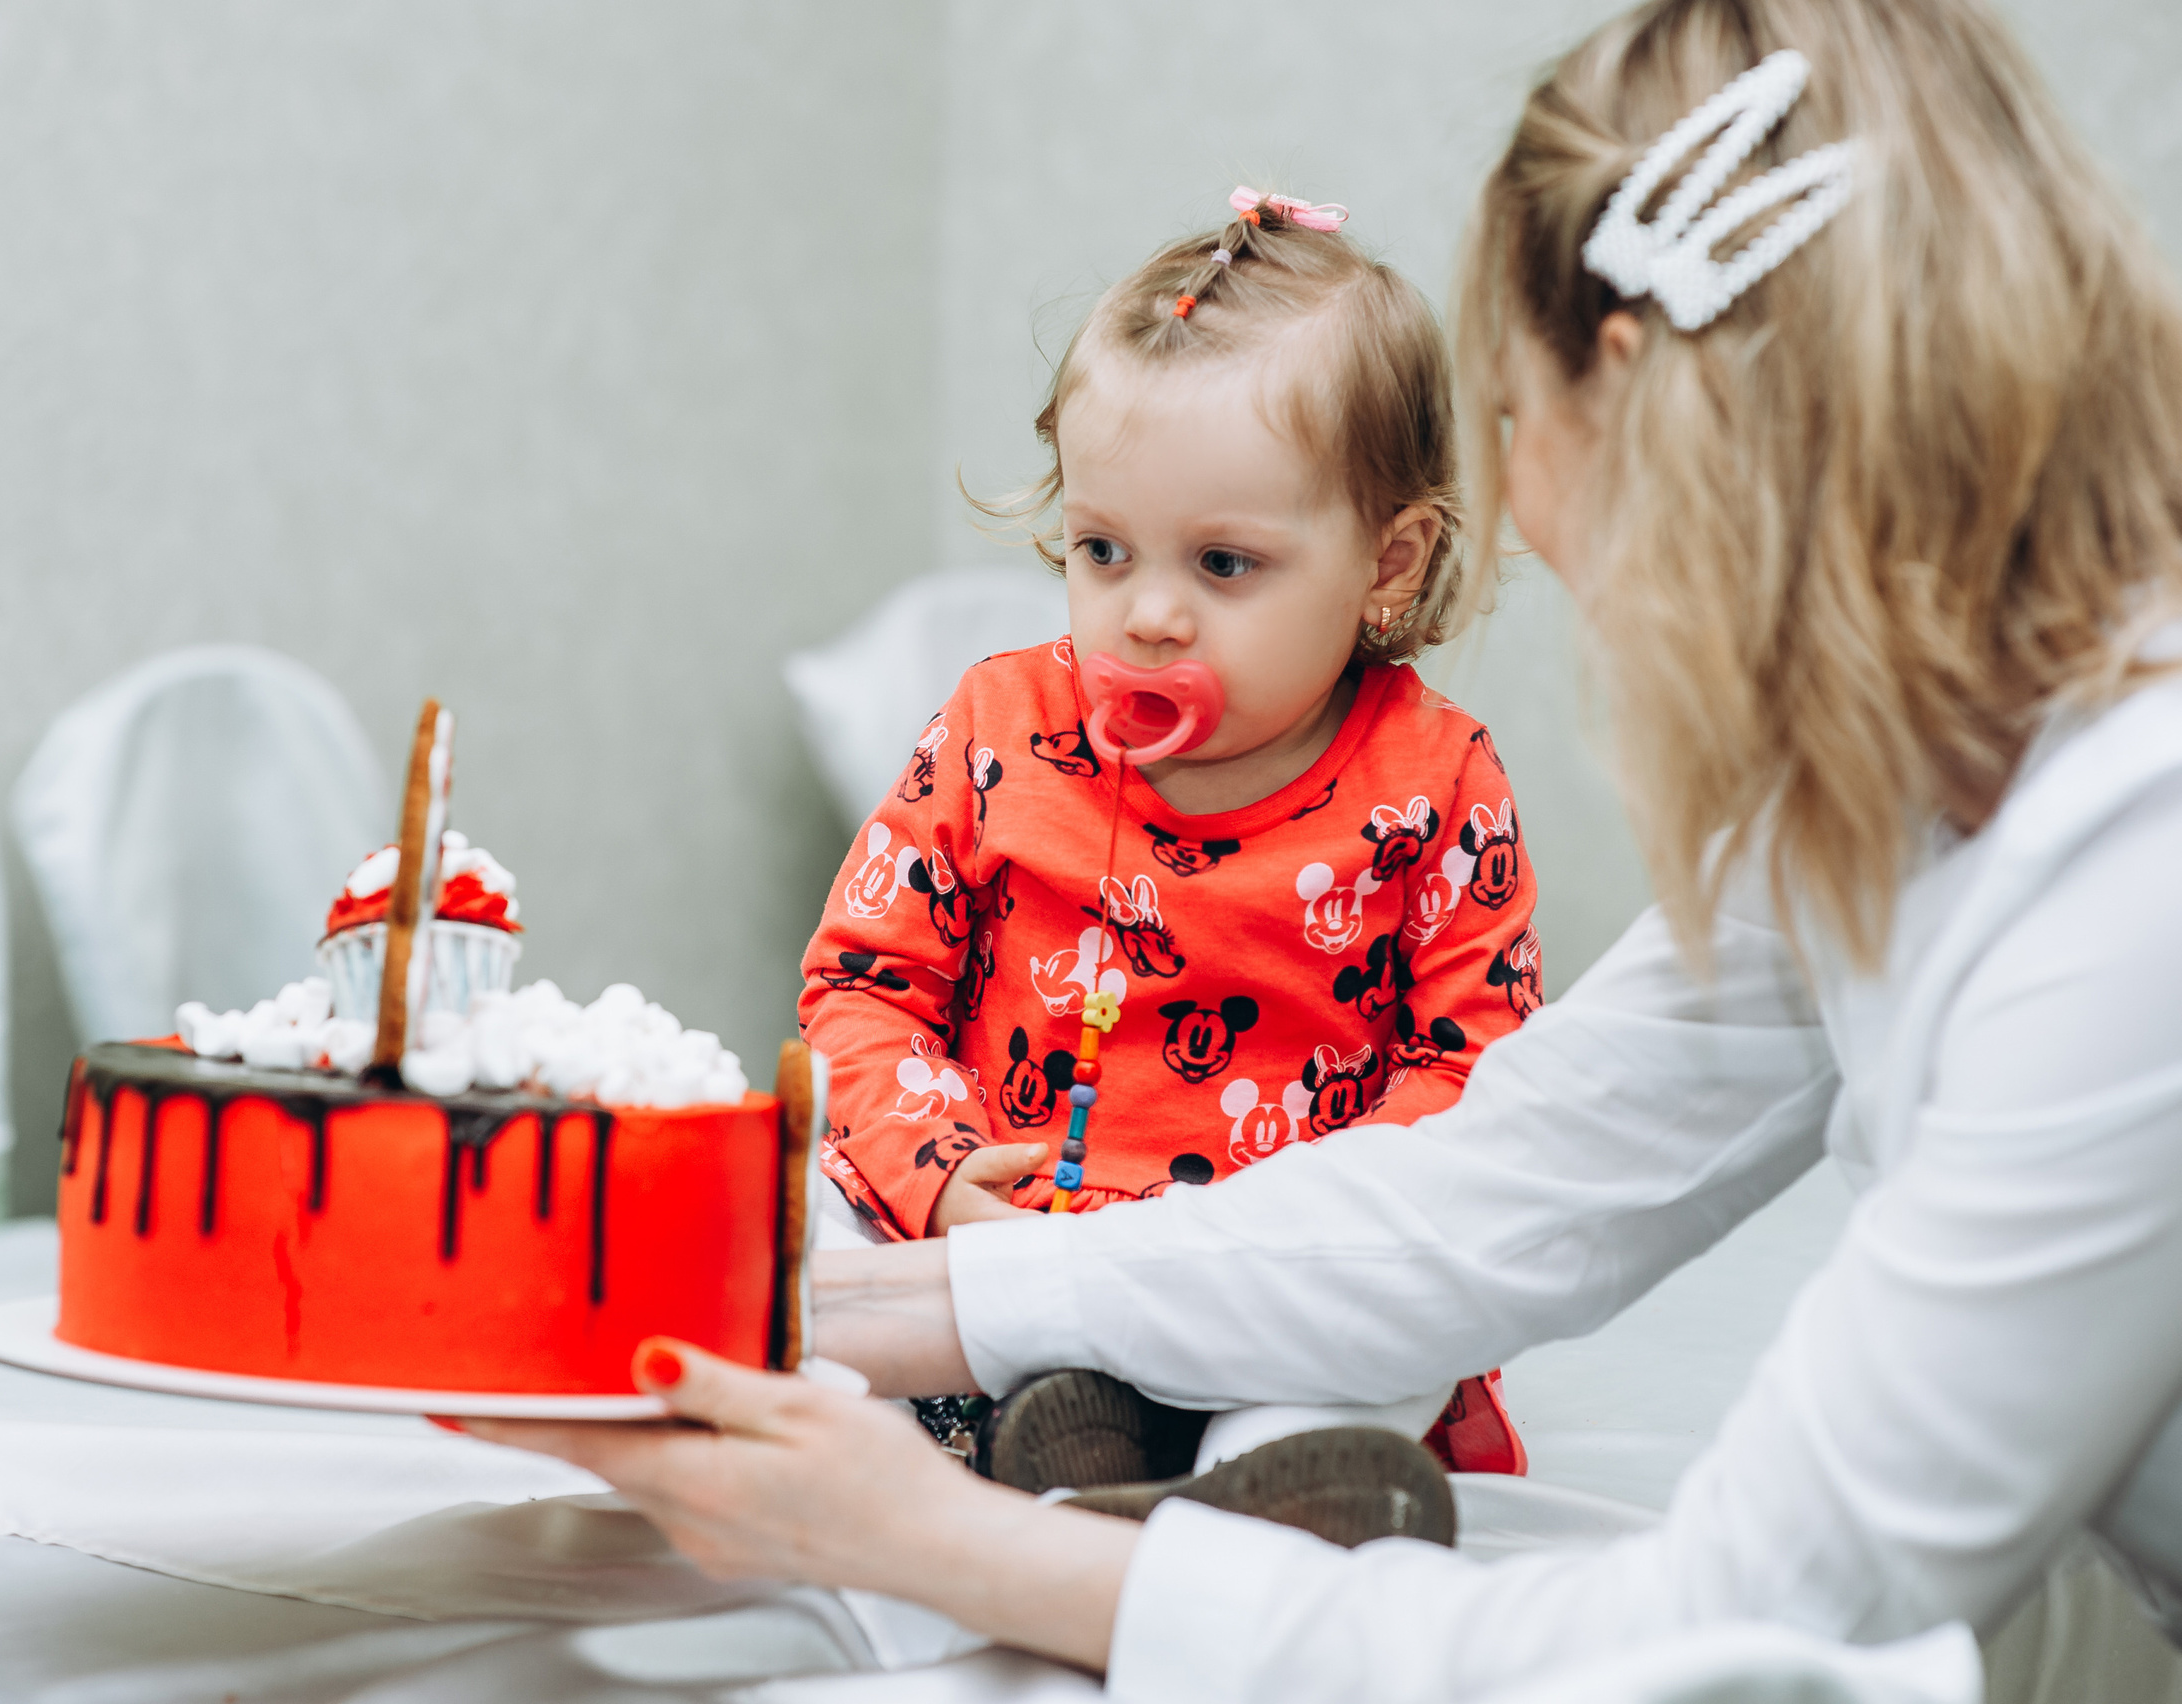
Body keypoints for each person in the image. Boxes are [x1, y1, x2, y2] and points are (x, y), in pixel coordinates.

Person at [453, 0, 2182, 1696]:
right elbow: (1491, 1194)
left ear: (1639, 403)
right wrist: (828, 1304)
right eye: (1103, 547)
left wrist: (934, 1539)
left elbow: (1739, 1630)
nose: (1525, 500)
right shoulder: (1895, 800)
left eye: (1513, 423)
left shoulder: (2132, 890)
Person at [798, 190, 1539, 1477]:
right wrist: (938, 1172)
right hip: (1007, 1241)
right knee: (804, 1213)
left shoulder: (1436, 782)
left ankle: (1277, 1465)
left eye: (1222, 565)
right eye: (1102, 549)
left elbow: (1475, 1072)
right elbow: (860, 989)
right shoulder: (995, 729)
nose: (1146, 616)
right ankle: (1011, 1435)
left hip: (1271, 1278)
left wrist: (1309, 1226)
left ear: (1387, 563)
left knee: (1411, 1307)